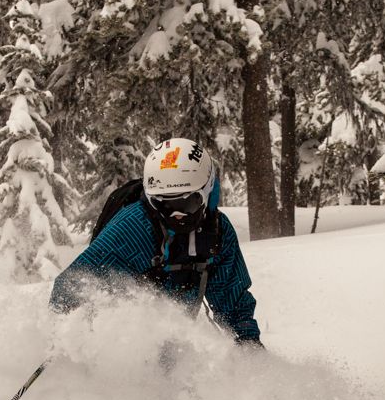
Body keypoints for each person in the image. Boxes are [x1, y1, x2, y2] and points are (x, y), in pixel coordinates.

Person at [49, 137, 263, 349]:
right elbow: (72, 286)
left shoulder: (217, 231)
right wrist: (65, 337)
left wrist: (249, 347)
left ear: (207, 191)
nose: (176, 215)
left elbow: (233, 302)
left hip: (174, 345)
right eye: (163, 203)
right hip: (119, 346)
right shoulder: (134, 227)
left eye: (187, 202)